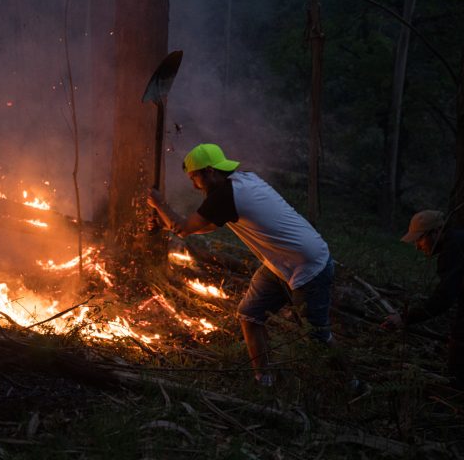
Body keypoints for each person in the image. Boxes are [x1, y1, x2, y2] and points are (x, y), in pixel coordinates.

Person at [147, 143, 338, 387]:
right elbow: (207, 225)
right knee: (250, 315)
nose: (194, 186)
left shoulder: (225, 195)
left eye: (195, 178)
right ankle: (264, 380)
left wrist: (159, 204)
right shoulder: (243, 180)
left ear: (210, 172)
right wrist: (165, 224)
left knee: (317, 336)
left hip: (308, 265)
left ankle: (352, 384)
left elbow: (184, 229)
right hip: (280, 263)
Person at [381, 210, 464, 389]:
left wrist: (405, 318)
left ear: (436, 232)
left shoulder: (454, 249)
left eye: (419, 239)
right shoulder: (456, 242)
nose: (418, 246)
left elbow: (444, 298)